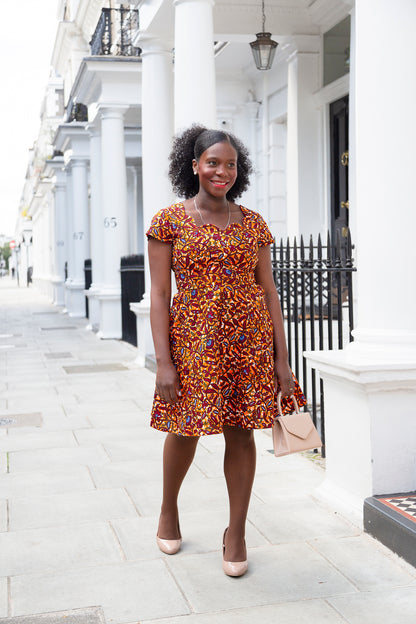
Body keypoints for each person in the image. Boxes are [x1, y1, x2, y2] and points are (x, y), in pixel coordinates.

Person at [147, 125, 306, 577]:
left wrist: (282, 358)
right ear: (194, 165)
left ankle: (235, 533)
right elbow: (159, 295)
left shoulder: (252, 222)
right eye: (213, 162)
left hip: (248, 342)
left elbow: (269, 292)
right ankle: (168, 510)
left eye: (231, 164)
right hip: (194, 342)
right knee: (185, 429)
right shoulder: (169, 221)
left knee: (242, 433)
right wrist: (164, 362)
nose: (222, 171)